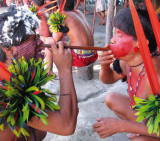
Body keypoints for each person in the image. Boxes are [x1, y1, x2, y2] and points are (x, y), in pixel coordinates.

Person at [0, 4, 78, 141]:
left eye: (37, 37)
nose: (40, 44)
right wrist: (64, 69)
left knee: (40, 128)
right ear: (7, 49)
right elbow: (66, 126)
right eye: (32, 40)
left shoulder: (14, 68)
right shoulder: (6, 87)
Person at [93, 8, 160, 141]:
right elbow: (109, 79)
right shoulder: (127, 62)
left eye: (119, 35)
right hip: (147, 118)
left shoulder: (155, 76)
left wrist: (122, 126)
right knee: (111, 98)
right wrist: (105, 67)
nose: (112, 40)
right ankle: (143, 131)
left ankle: (144, 134)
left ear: (141, 42)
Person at [46, 0, 98, 69]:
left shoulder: (63, 15)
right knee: (69, 42)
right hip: (93, 54)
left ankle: (48, 71)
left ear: (59, 5)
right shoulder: (79, 12)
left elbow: (55, 38)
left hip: (81, 58)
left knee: (49, 41)